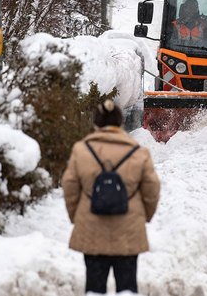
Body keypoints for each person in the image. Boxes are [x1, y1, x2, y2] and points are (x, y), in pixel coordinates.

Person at [62, 99, 160, 294]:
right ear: (120, 123)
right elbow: (152, 189)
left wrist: (77, 216)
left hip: (91, 227)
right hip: (129, 229)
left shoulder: (82, 150)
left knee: (95, 288)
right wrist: (144, 216)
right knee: (126, 287)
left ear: (96, 123)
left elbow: (70, 186)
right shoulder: (138, 152)